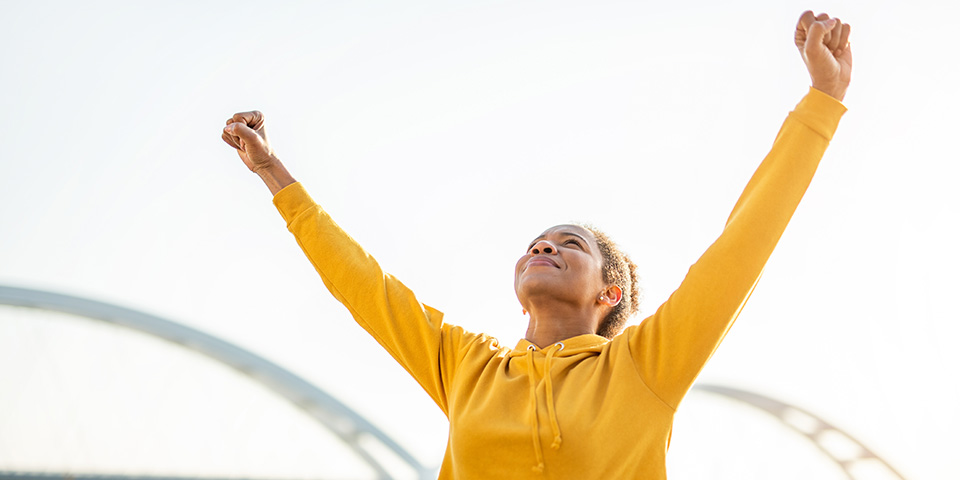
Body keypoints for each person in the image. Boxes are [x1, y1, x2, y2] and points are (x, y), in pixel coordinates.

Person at [221, 10, 851, 479]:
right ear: (517, 290)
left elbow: (742, 246)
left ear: (611, 293)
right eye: (536, 244)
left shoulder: (643, 367)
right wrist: (273, 173)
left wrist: (823, 100)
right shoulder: (466, 368)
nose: (543, 248)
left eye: (567, 244)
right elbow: (362, 284)